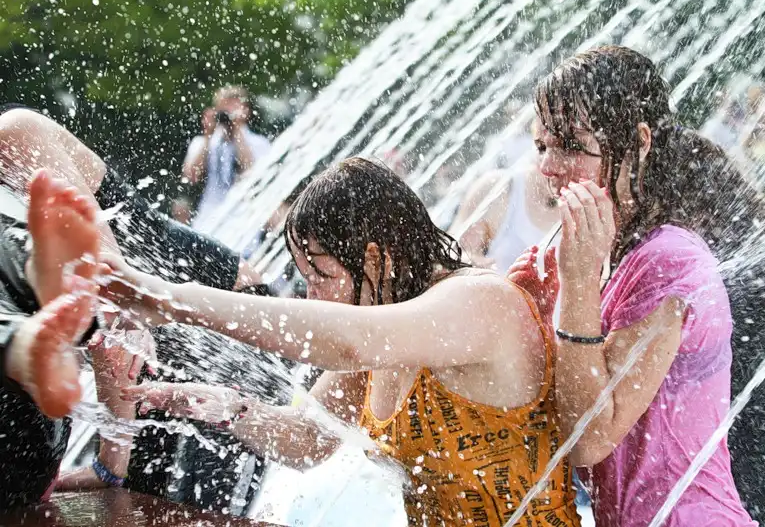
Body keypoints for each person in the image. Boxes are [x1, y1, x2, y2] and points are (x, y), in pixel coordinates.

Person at [109, 157, 584, 526]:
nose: (310, 296)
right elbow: (309, 438)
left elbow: (349, 344)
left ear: (375, 259)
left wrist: (172, 301)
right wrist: (225, 406)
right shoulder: (384, 328)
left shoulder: (477, 303)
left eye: (320, 276)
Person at [508, 45, 765, 526]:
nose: (548, 166)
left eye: (571, 145)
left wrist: (578, 285)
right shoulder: (613, 253)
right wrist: (532, 308)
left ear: (640, 142)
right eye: (542, 147)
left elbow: (588, 439)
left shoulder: (669, 260)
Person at [0, 105, 272, 507]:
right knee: (143, 496)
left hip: (221, 323)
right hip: (149, 347)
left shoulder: (14, 135)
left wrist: (110, 463)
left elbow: (111, 292)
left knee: (189, 507)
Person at [177, 85, 272, 235]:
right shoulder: (202, 142)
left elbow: (253, 175)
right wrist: (208, 135)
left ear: (246, 111)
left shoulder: (259, 143)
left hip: (244, 220)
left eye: (234, 108)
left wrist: (237, 130)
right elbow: (191, 177)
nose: (228, 115)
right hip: (207, 217)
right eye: (224, 109)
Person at [450, 153, 559, 271]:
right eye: (542, 147)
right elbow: (449, 253)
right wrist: (473, 263)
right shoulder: (498, 189)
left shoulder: (573, 216)